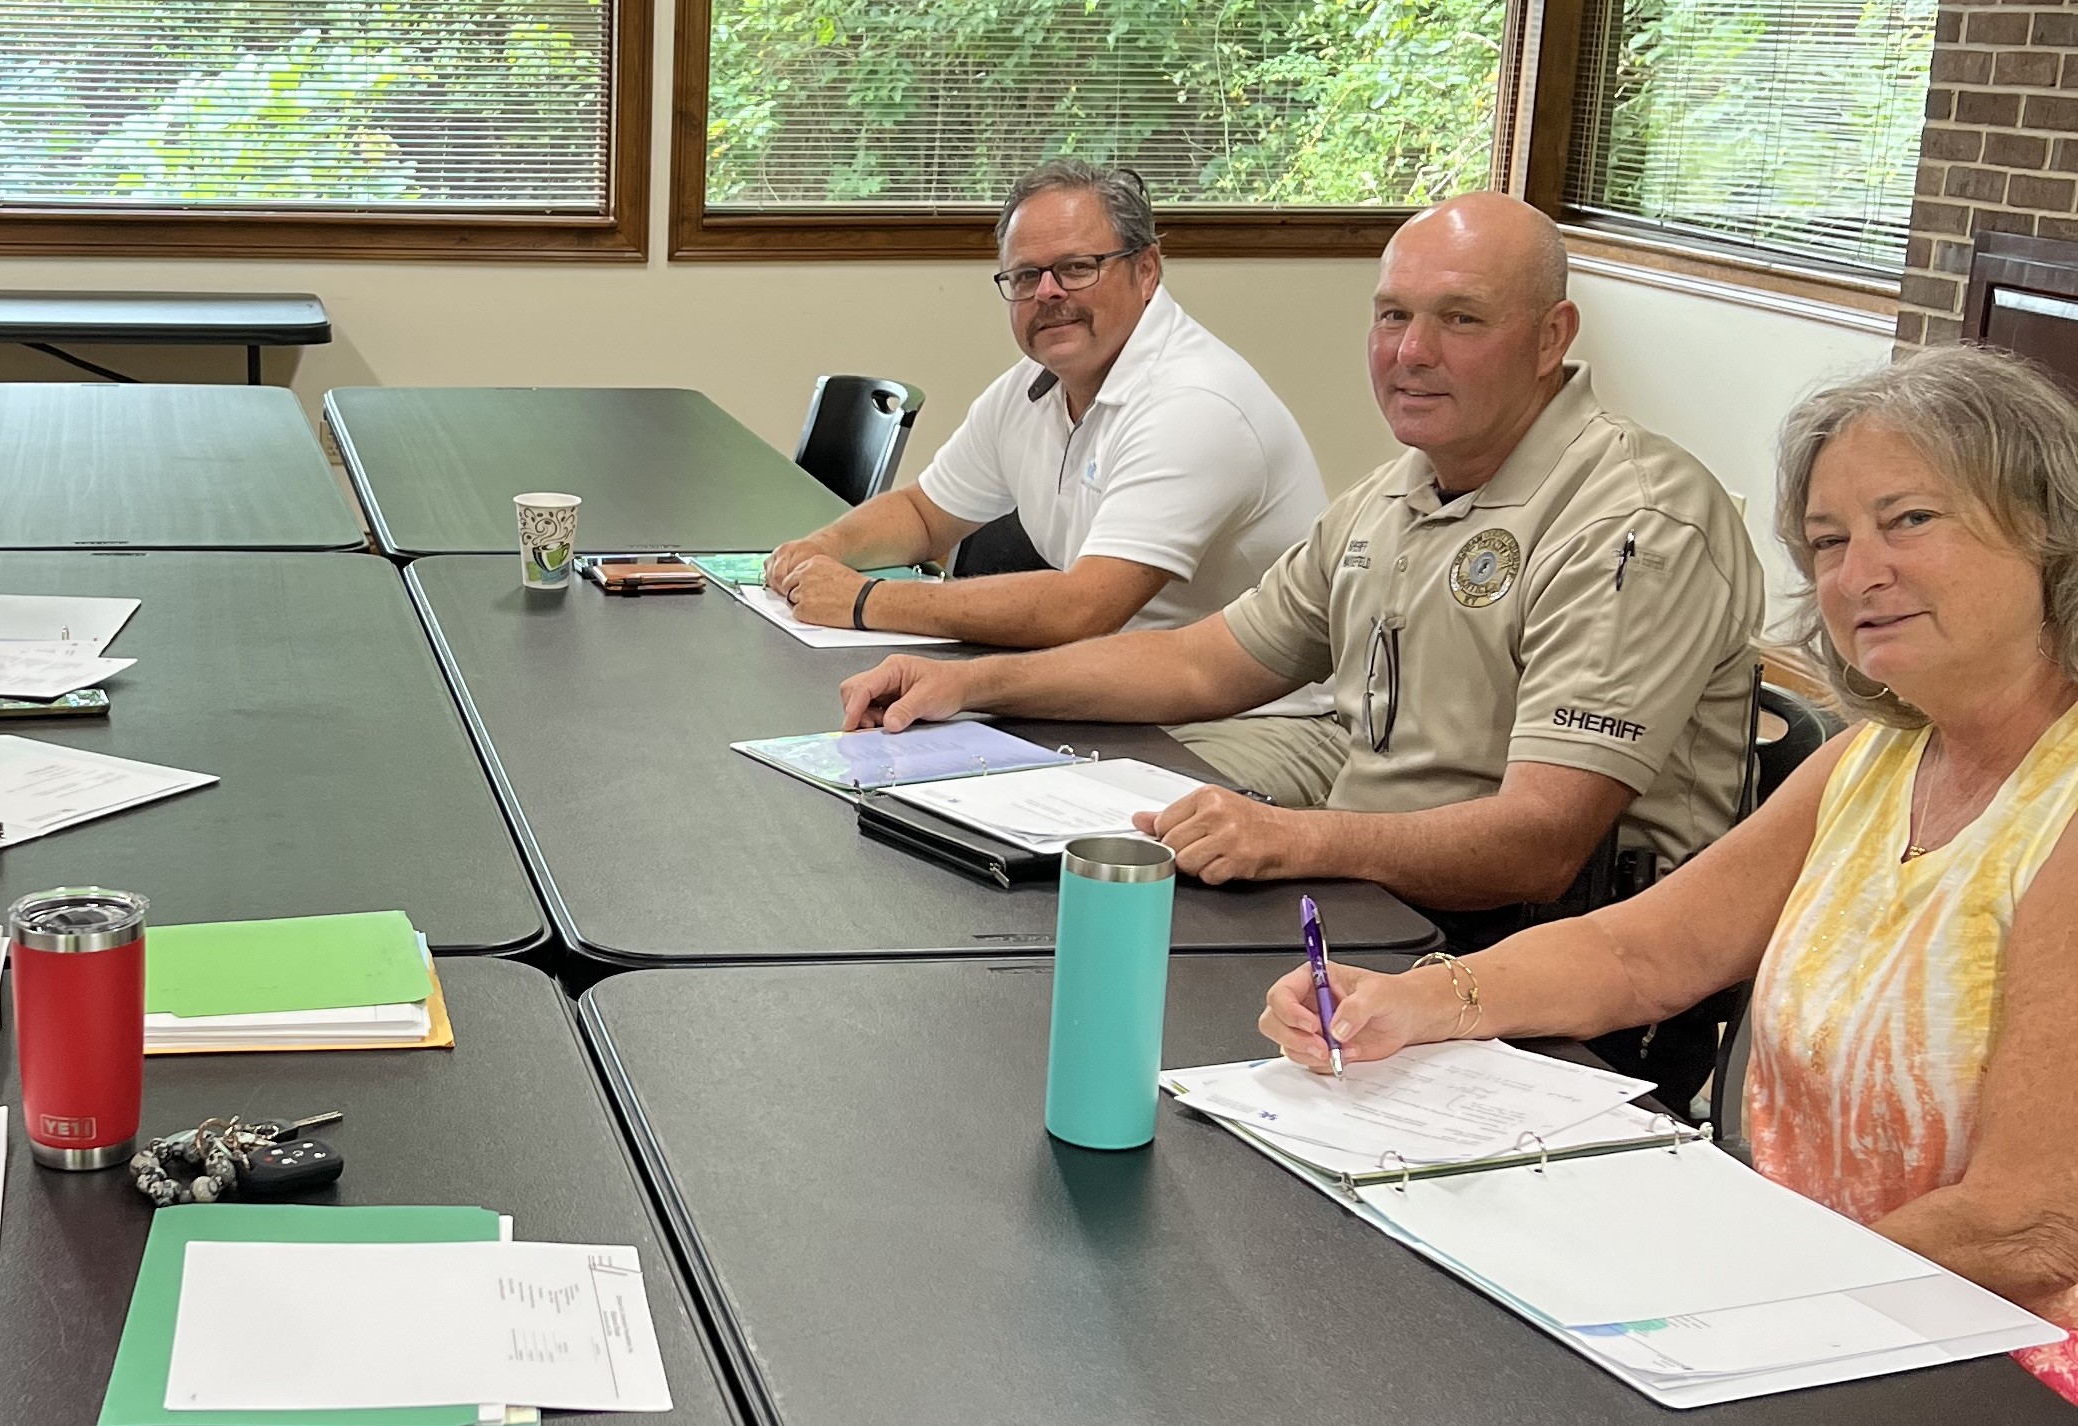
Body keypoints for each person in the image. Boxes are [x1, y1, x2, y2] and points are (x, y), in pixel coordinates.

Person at [1258, 343, 2078, 1403]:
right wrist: (1408, 1001)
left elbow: (2030, 1221)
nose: (1856, 572)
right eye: (1827, 541)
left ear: (2049, 530)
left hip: (1983, 1358)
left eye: (1909, 520)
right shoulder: (1874, 760)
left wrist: (1743, 1303)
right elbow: (1642, 949)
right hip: (1817, 1310)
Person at [838, 193, 1763, 1101]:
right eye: (1392, 316)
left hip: (1545, 979)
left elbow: (1539, 845)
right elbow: (1204, 662)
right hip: (1374, 917)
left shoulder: (1634, 523)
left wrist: (1295, 838)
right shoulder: (1393, 497)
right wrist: (973, 684)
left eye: (1461, 320)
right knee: (1024, 1001)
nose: (1411, 352)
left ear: (1552, 335)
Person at [763, 159, 1328, 713]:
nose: (1048, 292)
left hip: (1250, 719)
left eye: (1077, 267)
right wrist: (821, 550)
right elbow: (923, 514)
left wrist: (864, 600)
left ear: (1147, 270)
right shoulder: (1031, 388)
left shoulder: (1194, 403)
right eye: (1026, 276)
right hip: (1098, 682)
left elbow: (1083, 608)